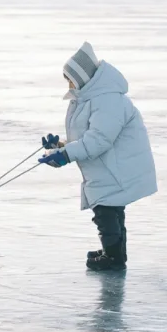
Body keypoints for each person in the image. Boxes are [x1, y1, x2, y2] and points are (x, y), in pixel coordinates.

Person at [38, 41, 157, 271]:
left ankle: (113, 258)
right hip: (109, 167)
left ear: (82, 76)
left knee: (106, 212)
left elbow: (99, 140)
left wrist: (66, 155)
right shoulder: (90, 99)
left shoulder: (108, 100)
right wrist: (60, 146)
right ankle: (114, 252)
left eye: (70, 79)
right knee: (111, 210)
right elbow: (87, 137)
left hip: (117, 169)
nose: (69, 84)